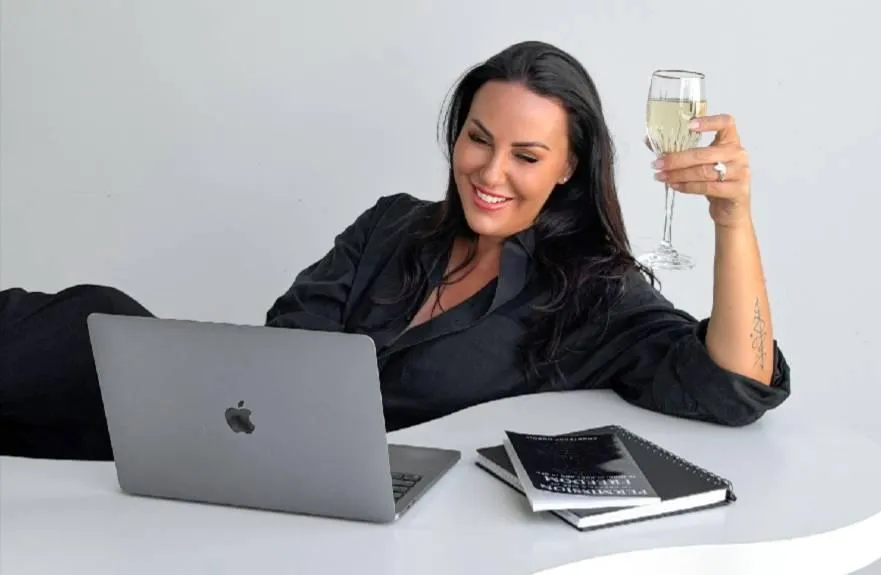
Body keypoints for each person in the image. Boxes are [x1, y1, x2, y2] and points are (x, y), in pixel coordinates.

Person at [0, 40, 790, 462]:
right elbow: (286, 341)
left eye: (525, 154)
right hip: (243, 435)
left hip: (355, 497)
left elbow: (733, 385)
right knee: (88, 320)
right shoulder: (393, 225)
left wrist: (732, 218)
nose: (490, 171)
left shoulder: (591, 293)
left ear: (567, 167)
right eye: (477, 139)